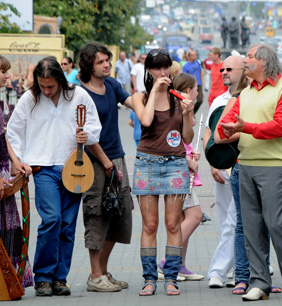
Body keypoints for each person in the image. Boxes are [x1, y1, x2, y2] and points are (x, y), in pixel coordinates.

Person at [218, 45, 282, 302]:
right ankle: (259, 282)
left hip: (274, 164)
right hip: (245, 164)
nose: (245, 61)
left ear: (264, 62)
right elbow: (227, 127)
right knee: (252, 227)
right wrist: (227, 125)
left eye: (250, 57)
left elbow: (279, 127)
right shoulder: (245, 93)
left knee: (277, 225)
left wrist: (244, 126)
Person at [7, 56, 101, 296]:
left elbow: (94, 127)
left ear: (60, 80)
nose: (46, 90)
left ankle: (60, 278)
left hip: (75, 167)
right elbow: (14, 131)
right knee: (51, 220)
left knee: (68, 225)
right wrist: (19, 161)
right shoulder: (30, 98)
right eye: (42, 85)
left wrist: (86, 135)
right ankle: (43, 277)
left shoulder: (79, 96)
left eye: (50, 86)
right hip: (43, 168)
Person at [131, 49, 194, 296]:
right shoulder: (140, 97)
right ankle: (149, 279)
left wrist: (188, 113)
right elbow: (146, 121)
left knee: (172, 224)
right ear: (149, 70)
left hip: (175, 165)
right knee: (149, 225)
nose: (163, 72)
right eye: (157, 68)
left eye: (166, 67)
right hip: (146, 164)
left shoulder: (179, 99)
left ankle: (171, 278)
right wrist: (156, 91)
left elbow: (187, 137)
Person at [79, 43, 134, 293]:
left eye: (108, 61)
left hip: (117, 158)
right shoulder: (81, 94)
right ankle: (94, 275)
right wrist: (105, 162)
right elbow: (86, 135)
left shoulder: (111, 85)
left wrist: (155, 90)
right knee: (97, 215)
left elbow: (132, 101)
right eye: (101, 61)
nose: (107, 65)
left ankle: (101, 272)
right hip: (95, 163)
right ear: (89, 64)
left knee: (120, 214)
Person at [157, 73, 204, 282]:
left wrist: (189, 154)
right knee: (194, 216)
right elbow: (171, 143)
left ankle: (179, 264)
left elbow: (183, 141)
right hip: (178, 171)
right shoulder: (177, 110)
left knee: (185, 217)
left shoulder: (183, 109)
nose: (197, 92)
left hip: (181, 168)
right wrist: (187, 159)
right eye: (195, 88)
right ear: (188, 91)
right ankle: (167, 260)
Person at [203, 56, 244, 289]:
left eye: (230, 69)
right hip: (221, 168)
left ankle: (219, 270)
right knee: (224, 220)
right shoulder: (218, 99)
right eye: (222, 69)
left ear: (243, 71)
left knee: (234, 221)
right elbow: (209, 132)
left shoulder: (248, 97)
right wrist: (211, 164)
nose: (224, 72)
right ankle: (231, 267)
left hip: (241, 165)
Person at [0, 55, 33, 291]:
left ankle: (9, 282)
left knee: (9, 229)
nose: (8, 76)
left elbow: (3, 137)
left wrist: (15, 161)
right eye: (3, 71)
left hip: (3, 169)